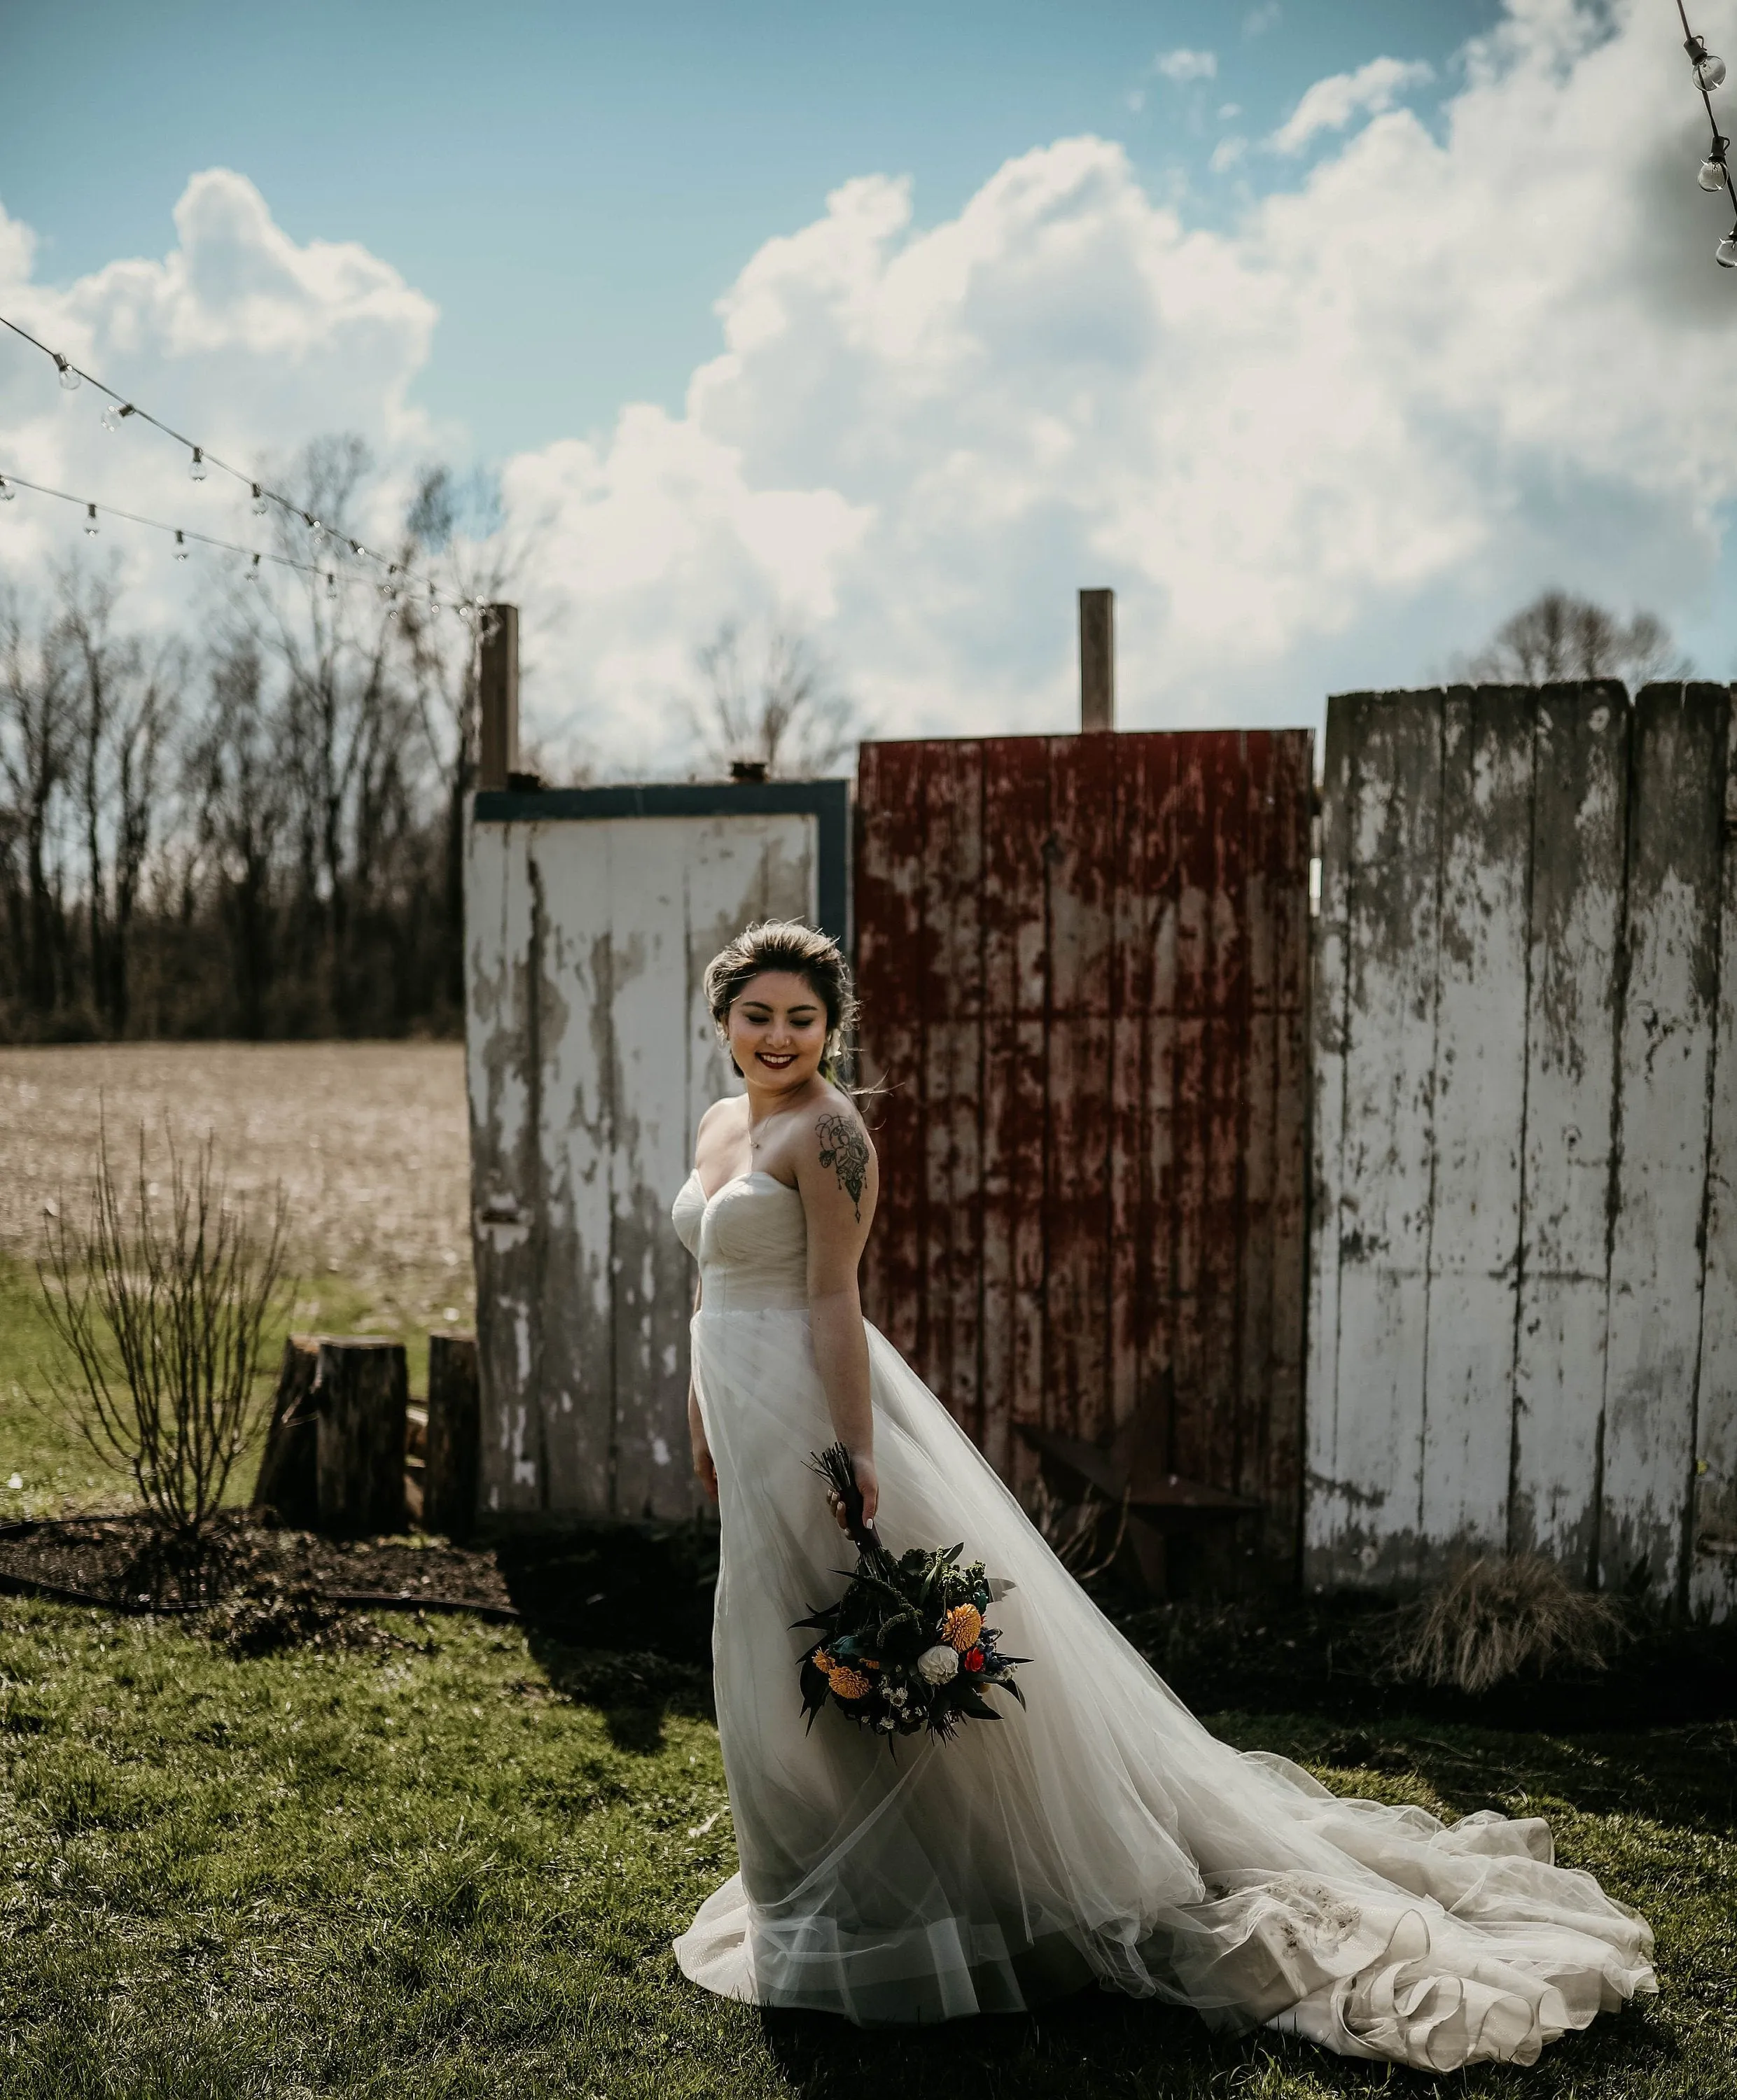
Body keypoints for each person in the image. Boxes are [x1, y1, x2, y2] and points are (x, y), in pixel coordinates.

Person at [669, 919, 1654, 2068]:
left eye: (802, 1017)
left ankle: (933, 1902)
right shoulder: (721, 1123)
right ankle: (815, 1897)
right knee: (767, 1651)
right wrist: (697, 1418)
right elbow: (709, 1287)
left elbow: (831, 1304)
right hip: (735, 1409)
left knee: (840, 1652)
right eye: (758, 1015)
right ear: (723, 1020)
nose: (780, 1037)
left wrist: (854, 1454)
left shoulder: (832, 1137)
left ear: (831, 1026)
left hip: (812, 1414)